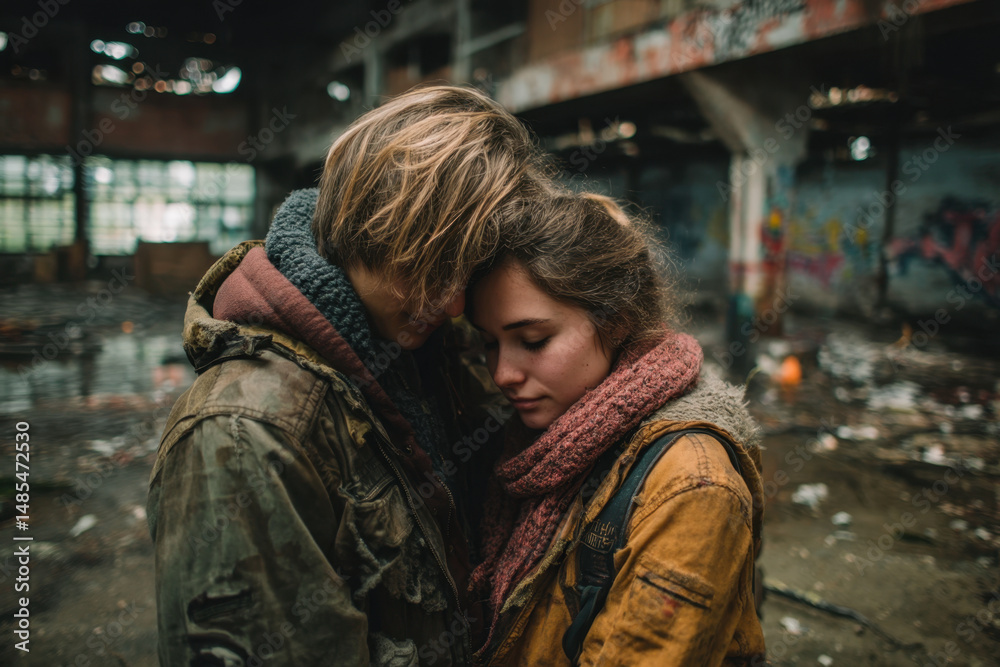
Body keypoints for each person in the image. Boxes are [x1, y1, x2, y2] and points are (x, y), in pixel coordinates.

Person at [146, 85, 552, 666]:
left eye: (468, 274)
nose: (456, 303)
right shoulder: (243, 435)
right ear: (372, 225)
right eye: (432, 267)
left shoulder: (432, 352)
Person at [467, 193, 766, 666]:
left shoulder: (692, 488)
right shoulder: (534, 446)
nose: (503, 373)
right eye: (489, 343)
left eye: (533, 341)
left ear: (618, 319)